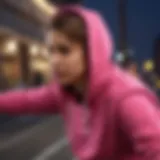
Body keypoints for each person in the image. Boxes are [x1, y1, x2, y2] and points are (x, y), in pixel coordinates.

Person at [0, 6, 160, 160]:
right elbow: (26, 100)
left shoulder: (126, 98)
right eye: (51, 51)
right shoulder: (67, 92)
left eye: (64, 50)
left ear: (91, 51)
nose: (54, 61)